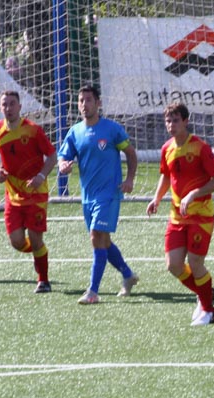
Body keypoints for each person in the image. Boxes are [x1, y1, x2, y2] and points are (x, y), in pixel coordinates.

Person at [146, 103, 214, 326]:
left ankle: (209, 311)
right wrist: (156, 198)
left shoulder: (200, 147)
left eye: (175, 120)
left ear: (185, 121)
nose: (171, 125)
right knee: (173, 265)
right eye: (168, 121)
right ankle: (204, 293)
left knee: (195, 262)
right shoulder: (166, 149)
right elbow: (166, 175)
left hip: (201, 216)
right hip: (177, 217)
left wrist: (194, 194)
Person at [58, 85, 139, 304]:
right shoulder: (75, 132)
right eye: (81, 100)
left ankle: (93, 291)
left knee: (96, 236)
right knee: (104, 240)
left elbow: (131, 153)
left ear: (98, 103)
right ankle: (128, 275)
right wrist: (63, 165)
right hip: (88, 196)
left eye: (89, 100)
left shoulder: (112, 129)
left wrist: (129, 179)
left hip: (109, 194)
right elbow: (64, 156)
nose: (84, 104)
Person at [0, 90, 57, 293]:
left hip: (36, 193)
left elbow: (52, 156)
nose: (8, 108)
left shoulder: (33, 130)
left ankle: (43, 280)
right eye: (4, 104)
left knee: (35, 239)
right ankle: (39, 252)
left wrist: (41, 176)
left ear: (19, 106)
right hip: (13, 195)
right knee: (17, 242)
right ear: (0, 107)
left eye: (12, 104)